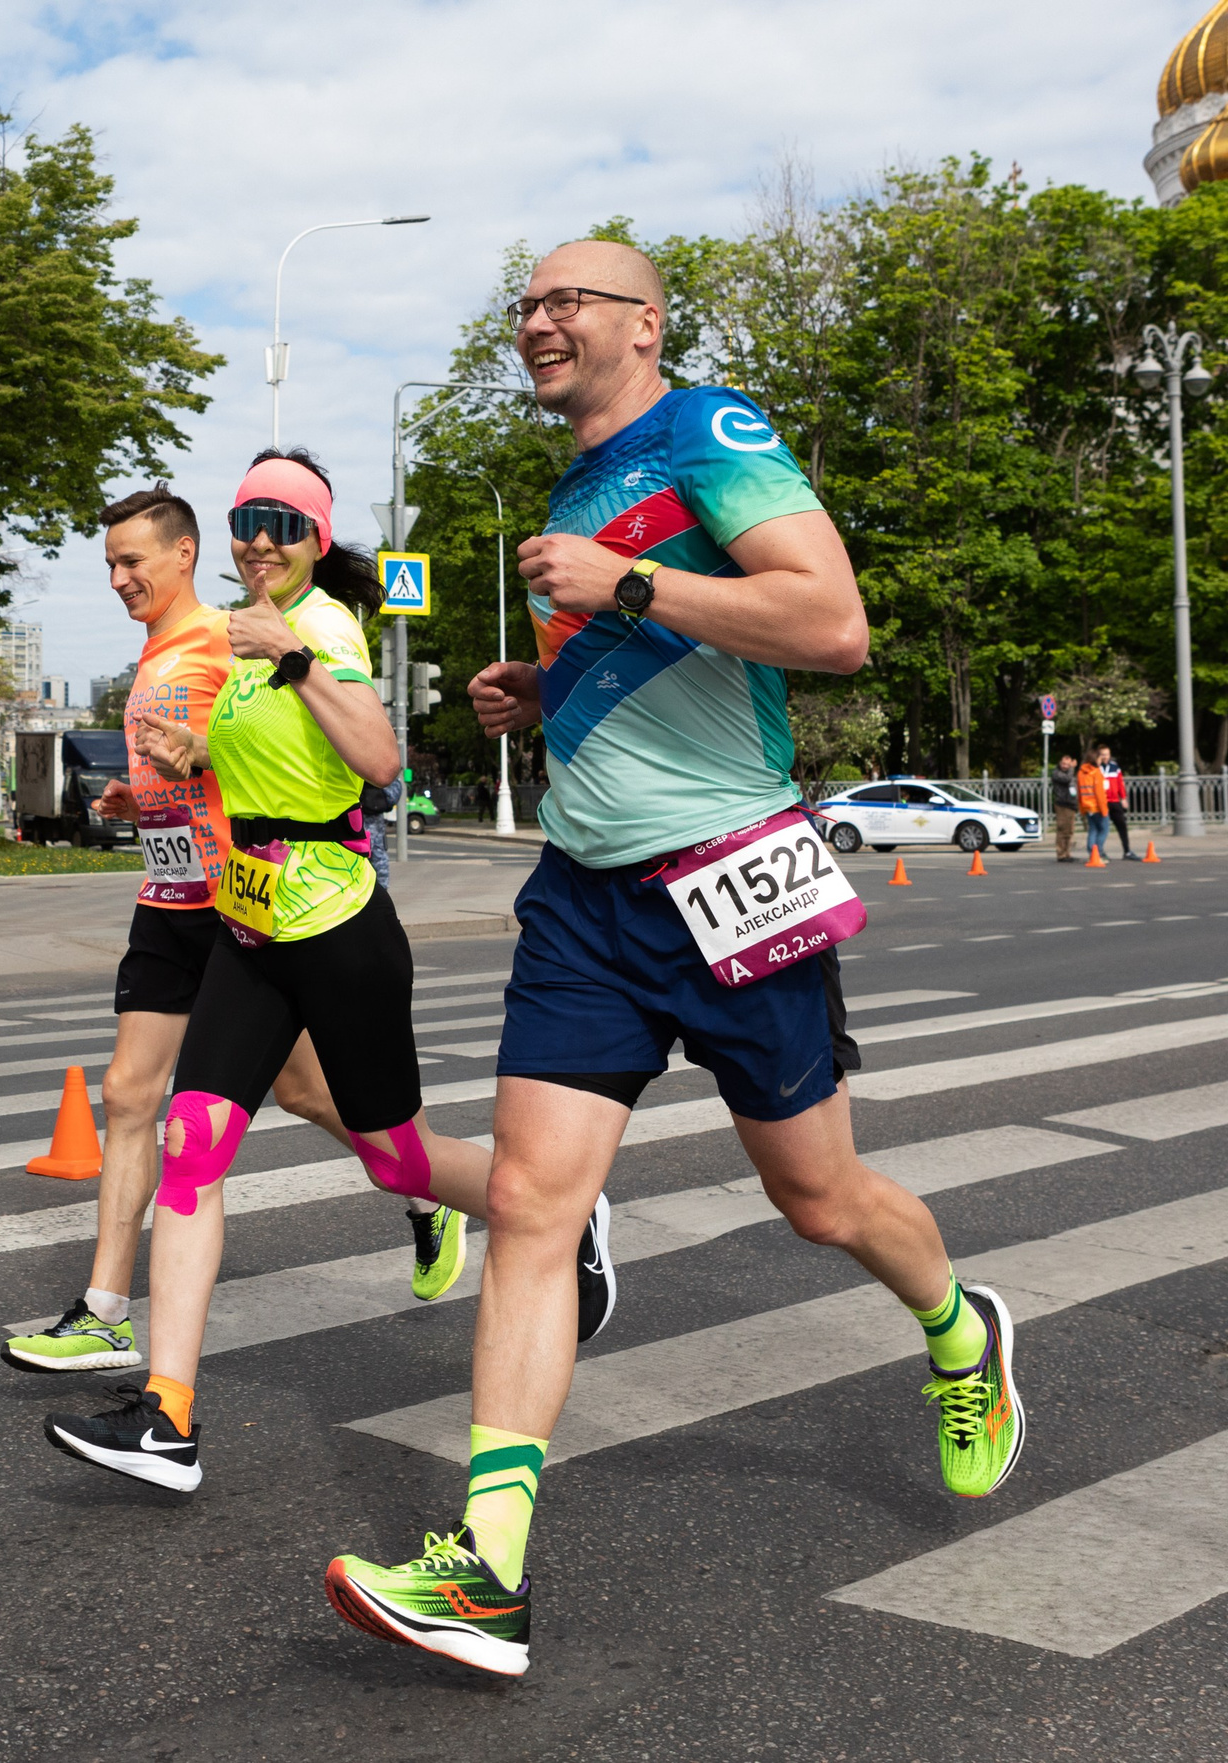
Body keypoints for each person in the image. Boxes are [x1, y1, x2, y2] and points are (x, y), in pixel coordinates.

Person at [325, 242, 1021, 1680]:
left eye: (565, 300)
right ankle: (488, 1568)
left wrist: (625, 585)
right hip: (584, 899)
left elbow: (830, 624)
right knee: (531, 1203)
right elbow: (659, 659)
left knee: (818, 1198)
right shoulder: (572, 490)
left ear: (644, 323)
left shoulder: (709, 429)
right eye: (524, 304)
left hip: (731, 877)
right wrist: (547, 685)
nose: (536, 321)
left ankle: (962, 1331)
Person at [41, 450, 547, 1492]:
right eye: (247, 520)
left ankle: (548, 1213)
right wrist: (187, 762)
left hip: (337, 927)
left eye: (282, 521)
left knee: (398, 1160)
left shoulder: (322, 627)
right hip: (251, 923)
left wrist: (295, 656)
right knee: (191, 1142)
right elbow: (268, 764)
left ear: (314, 537)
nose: (260, 539)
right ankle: (167, 1415)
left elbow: (379, 761)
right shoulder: (249, 635)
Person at [2, 487, 385, 1379]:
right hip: (167, 895)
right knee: (128, 1093)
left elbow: (270, 753)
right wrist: (143, 801)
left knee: (308, 1093)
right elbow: (192, 768)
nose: (118, 578)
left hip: (234, 900)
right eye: (109, 564)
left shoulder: (223, 636)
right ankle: (104, 1311)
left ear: (184, 554)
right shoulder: (152, 652)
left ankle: (419, 1185)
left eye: (132, 561)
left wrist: (212, 756)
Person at [1096, 745, 1134, 859]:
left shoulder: (1114, 767)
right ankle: (1098, 852)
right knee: (1102, 827)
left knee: (1122, 825)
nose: (1105, 757)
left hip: (1114, 801)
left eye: (1107, 754)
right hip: (1102, 802)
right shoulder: (1096, 768)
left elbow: (1120, 783)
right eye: (1103, 754)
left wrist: (1123, 798)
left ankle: (1127, 851)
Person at [1077, 747, 1110, 860]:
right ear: (1095, 759)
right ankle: (1098, 852)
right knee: (1104, 829)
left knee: (1093, 829)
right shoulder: (1096, 772)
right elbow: (1099, 793)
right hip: (1096, 806)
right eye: (1100, 758)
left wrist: (1081, 807)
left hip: (1087, 806)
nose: (1101, 760)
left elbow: (1079, 791)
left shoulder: (1081, 772)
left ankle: (1092, 852)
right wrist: (1104, 809)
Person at [1050, 754, 1080, 863]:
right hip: (1062, 804)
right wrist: (1072, 768)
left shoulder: (1070, 773)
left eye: (1067, 764)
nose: (1065, 766)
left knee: (1069, 830)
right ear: (1060, 763)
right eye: (1063, 763)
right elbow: (1066, 779)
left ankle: (1067, 853)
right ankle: (1061, 854)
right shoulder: (1056, 773)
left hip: (1071, 804)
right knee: (1062, 829)